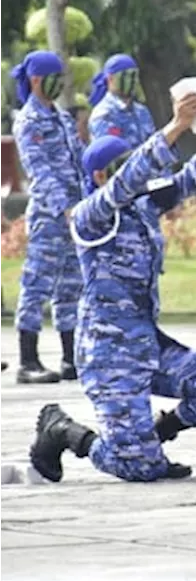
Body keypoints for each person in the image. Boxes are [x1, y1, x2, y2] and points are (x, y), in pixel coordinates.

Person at [28, 91, 196, 483]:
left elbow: (193, 174)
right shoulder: (91, 215)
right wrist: (175, 127)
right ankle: (64, 431)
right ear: (103, 176)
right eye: (124, 166)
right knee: (139, 469)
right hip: (109, 355)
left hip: (147, 344)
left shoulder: (141, 207)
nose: (138, 173)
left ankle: (151, 437)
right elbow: (129, 178)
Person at [11, 50, 84, 384]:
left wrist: (86, 202)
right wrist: (64, 207)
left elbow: (79, 163)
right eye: (55, 78)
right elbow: (40, 171)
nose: (60, 84)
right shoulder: (29, 121)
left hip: (74, 214)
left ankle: (71, 358)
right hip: (48, 216)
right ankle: (28, 360)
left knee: (70, 286)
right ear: (37, 80)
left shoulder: (62, 118)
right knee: (37, 284)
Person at [87, 54, 155, 147]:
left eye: (134, 76)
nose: (133, 80)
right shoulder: (104, 114)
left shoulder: (142, 111)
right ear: (110, 79)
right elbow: (111, 154)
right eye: (126, 76)